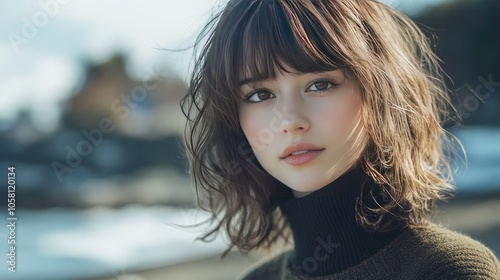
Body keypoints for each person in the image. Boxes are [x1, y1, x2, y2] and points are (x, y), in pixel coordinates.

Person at [180, 0, 500, 279]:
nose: (290, 121)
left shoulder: (448, 271)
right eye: (260, 94)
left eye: (320, 84)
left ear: (378, 91)